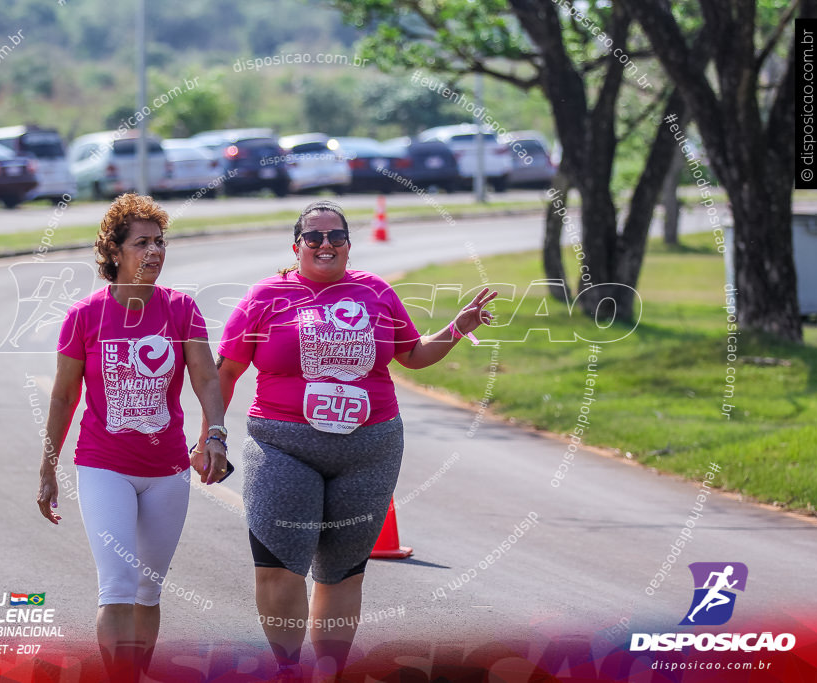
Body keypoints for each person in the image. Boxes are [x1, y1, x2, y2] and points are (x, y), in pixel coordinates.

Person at [193, 200, 497, 680]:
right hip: (283, 445)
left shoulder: (376, 291)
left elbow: (413, 355)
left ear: (350, 246)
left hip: (369, 453)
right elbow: (227, 372)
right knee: (279, 566)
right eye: (313, 237)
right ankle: (288, 668)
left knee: (342, 572)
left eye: (336, 236)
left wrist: (458, 328)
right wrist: (213, 435)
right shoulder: (265, 296)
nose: (325, 244)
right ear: (297, 247)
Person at [36, 193, 229, 682]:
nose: (155, 251)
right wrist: (48, 464)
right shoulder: (84, 316)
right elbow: (63, 397)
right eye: (142, 242)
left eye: (160, 242)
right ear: (115, 252)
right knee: (118, 585)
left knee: (149, 590)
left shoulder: (181, 310)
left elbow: (207, 378)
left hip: (167, 471)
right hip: (103, 466)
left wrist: (216, 436)